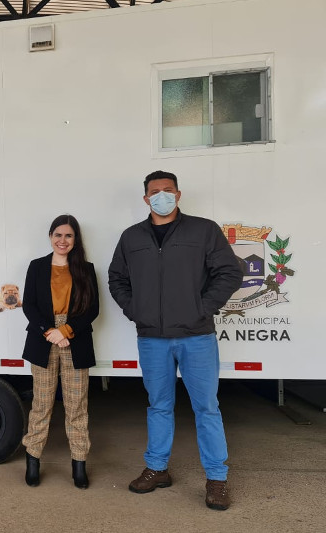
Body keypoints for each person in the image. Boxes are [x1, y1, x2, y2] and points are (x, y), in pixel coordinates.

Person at [108, 170, 242, 510]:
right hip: (152, 338)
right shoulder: (131, 237)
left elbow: (230, 271)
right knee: (159, 406)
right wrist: (134, 310)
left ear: (178, 195)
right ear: (145, 199)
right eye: (155, 192)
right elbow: (116, 278)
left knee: (207, 408)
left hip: (196, 336)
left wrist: (203, 308)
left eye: (168, 190)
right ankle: (157, 469)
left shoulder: (203, 230)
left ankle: (216, 479)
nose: (162, 196)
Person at [21, 214, 100, 489]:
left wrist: (65, 331)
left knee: (76, 406)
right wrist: (50, 331)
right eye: (58, 234)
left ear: (75, 239)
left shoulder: (86, 269)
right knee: (41, 404)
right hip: (43, 339)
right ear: (50, 236)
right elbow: (28, 305)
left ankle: (79, 464)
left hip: (74, 340)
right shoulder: (37, 267)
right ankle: (33, 459)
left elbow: (93, 310)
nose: (62, 240)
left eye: (68, 235)